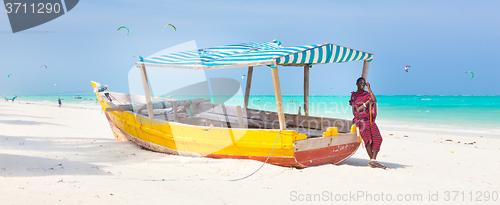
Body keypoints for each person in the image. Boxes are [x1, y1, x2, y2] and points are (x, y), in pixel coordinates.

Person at [349, 77, 386, 169]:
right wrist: (366, 103)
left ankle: (373, 160)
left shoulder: (367, 94)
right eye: (361, 82)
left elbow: (374, 100)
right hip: (361, 122)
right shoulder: (354, 96)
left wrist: (369, 89)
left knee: (378, 138)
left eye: (364, 83)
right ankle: (373, 161)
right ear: (356, 84)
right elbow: (357, 109)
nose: (363, 84)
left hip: (370, 121)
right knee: (368, 140)